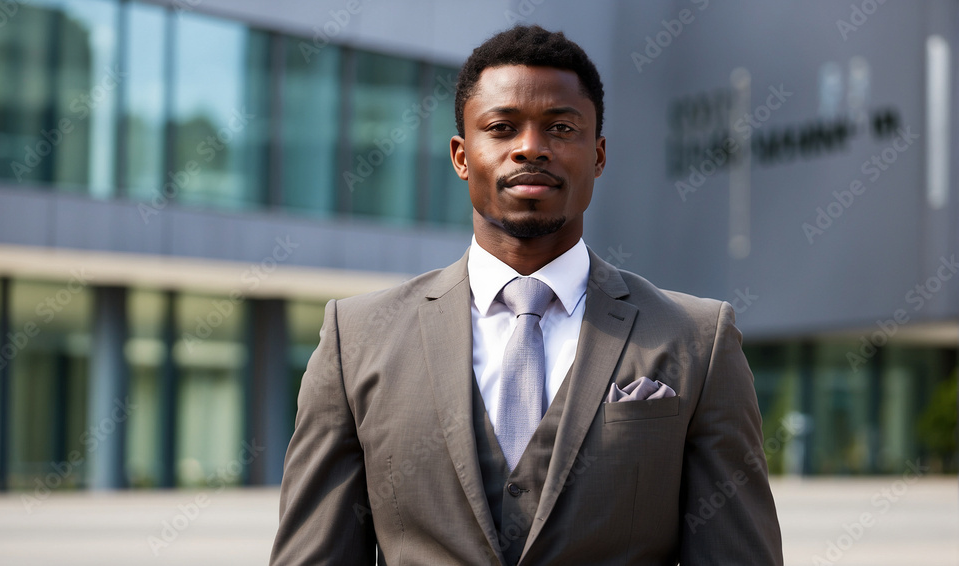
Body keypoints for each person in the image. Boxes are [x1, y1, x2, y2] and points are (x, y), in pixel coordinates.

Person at [270, 25, 783, 565]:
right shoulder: (357, 339)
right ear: (461, 156)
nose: (531, 149)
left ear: (599, 155)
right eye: (502, 127)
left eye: (561, 128)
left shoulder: (697, 339)